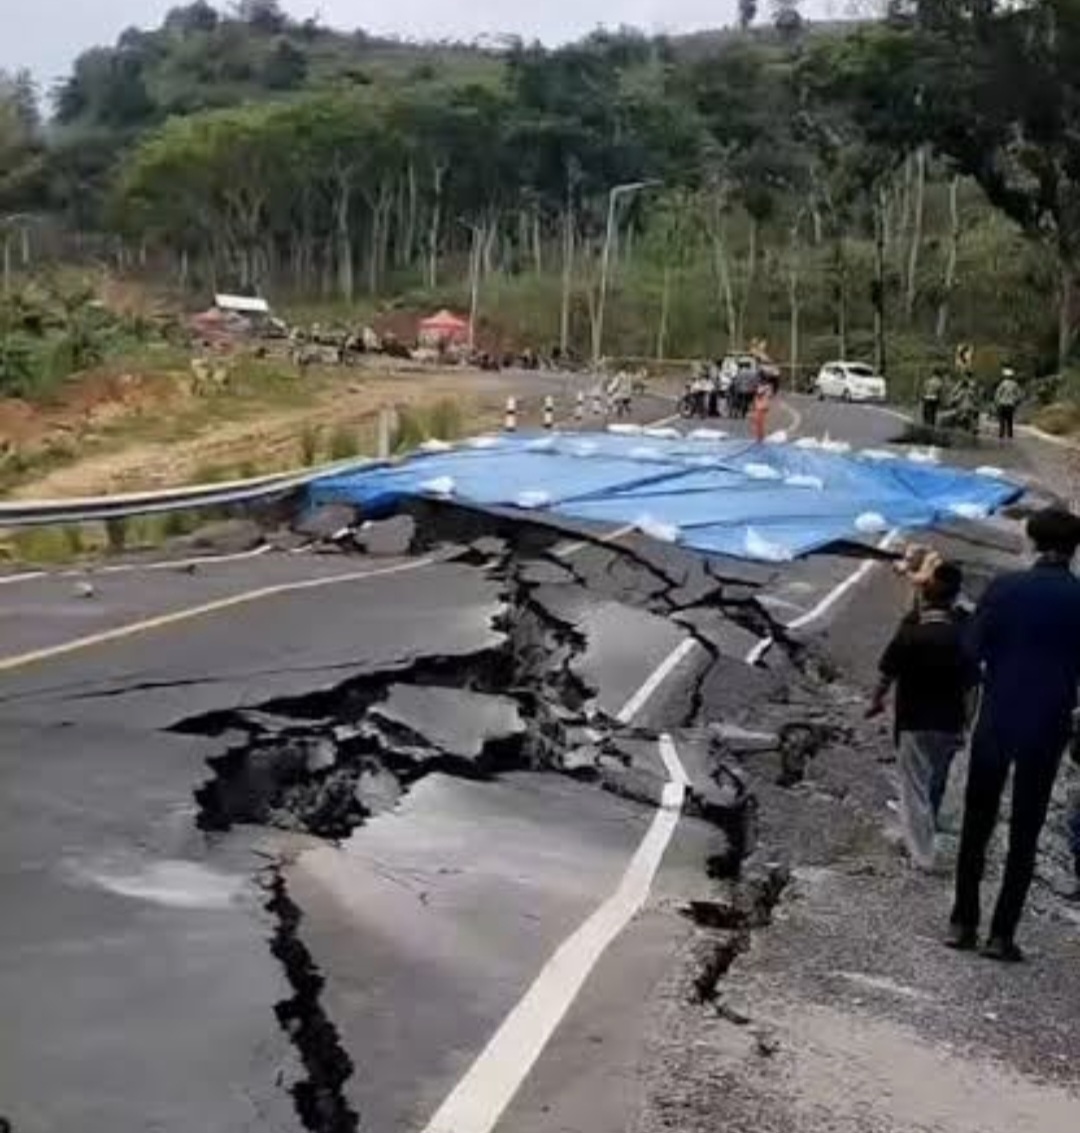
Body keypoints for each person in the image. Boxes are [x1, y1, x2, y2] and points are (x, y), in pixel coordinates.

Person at [948, 507, 1080, 961]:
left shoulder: (1004, 589)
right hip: (1047, 726)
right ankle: (1002, 934)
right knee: (1025, 831)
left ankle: (963, 920)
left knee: (976, 823)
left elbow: (970, 653)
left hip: (997, 718)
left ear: (1032, 541)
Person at [868, 561, 975, 871]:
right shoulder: (963, 632)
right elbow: (972, 686)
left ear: (925, 597)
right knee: (935, 779)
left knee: (913, 786)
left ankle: (922, 854)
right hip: (950, 721)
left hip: (914, 720)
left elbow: (886, 673)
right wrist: (968, 722)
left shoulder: (911, 631)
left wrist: (876, 702)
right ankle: (928, 831)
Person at [994, 367, 1022, 440]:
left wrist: (997, 402)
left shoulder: (1002, 384)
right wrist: (1015, 401)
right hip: (1010, 405)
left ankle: (1001, 435)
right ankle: (1010, 435)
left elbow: (997, 394)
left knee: (1002, 421)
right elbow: (1019, 395)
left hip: (1002, 404)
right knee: (1010, 421)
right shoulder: (1015, 385)